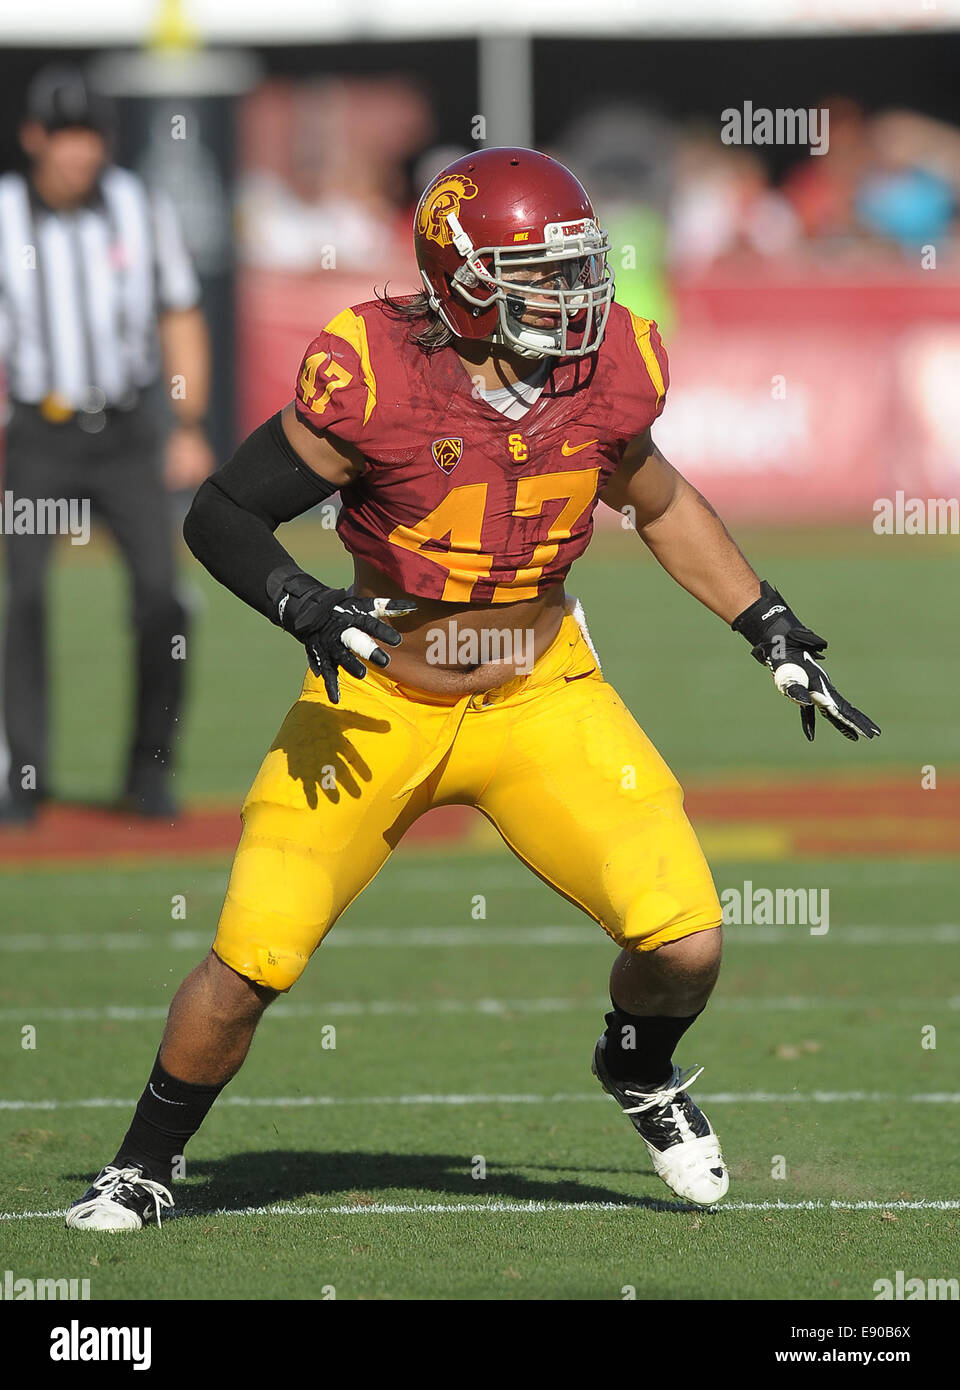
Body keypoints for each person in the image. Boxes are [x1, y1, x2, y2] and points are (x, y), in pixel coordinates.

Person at [65, 147, 879, 1230]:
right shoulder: (373, 371)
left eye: (579, 269)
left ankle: (636, 1067)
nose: (577, 295)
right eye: (542, 275)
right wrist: (305, 604)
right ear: (465, 278)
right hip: (381, 696)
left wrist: (761, 618)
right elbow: (220, 511)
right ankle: (144, 1163)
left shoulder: (608, 372)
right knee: (253, 954)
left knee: (685, 938)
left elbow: (660, 498)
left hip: (541, 690)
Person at [0, 66, 214, 823]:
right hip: (36, 434)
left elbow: (180, 312)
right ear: (34, 139)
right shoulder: (4, 217)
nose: (79, 152)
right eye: (65, 135)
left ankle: (148, 771)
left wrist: (187, 424)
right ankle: (23, 775)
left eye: (91, 135)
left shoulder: (136, 206)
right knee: (21, 596)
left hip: (126, 432)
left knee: (162, 598)